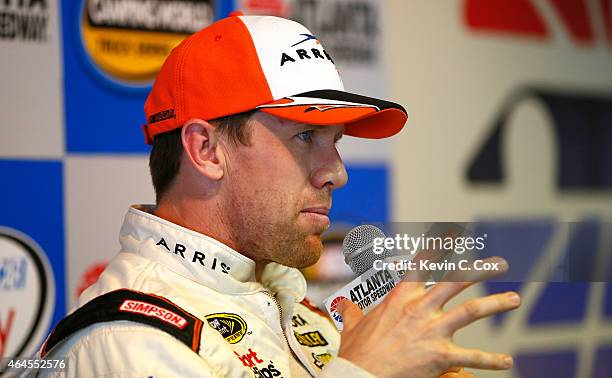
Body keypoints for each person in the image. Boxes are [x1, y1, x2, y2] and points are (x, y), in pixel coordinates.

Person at [35, 14, 520, 378]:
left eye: (337, 142)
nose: (338, 173)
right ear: (206, 150)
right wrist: (365, 371)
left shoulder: (289, 303)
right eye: (305, 137)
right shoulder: (130, 339)